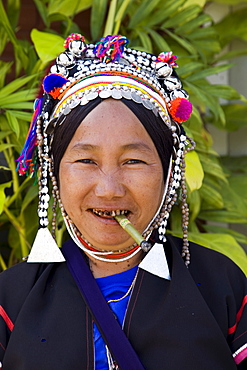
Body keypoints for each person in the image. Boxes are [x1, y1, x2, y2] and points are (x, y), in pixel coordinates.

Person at [0, 33, 246, 370]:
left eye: (133, 161)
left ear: (169, 172)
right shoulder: (10, 301)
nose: (109, 189)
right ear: (54, 172)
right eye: (86, 161)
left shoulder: (223, 289)